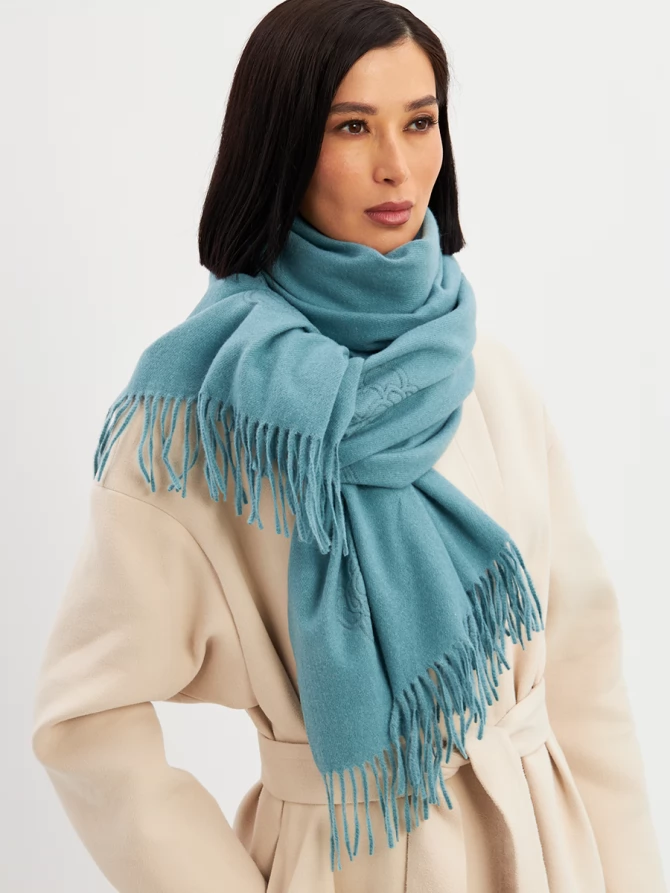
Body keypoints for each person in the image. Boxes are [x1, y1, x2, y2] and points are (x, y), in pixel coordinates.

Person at [31, 1, 666, 891]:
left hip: (548, 856)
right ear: (284, 144)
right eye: (353, 126)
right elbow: (85, 715)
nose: (396, 165)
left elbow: (582, 659)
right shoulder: (207, 421)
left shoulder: (483, 373)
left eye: (420, 121)